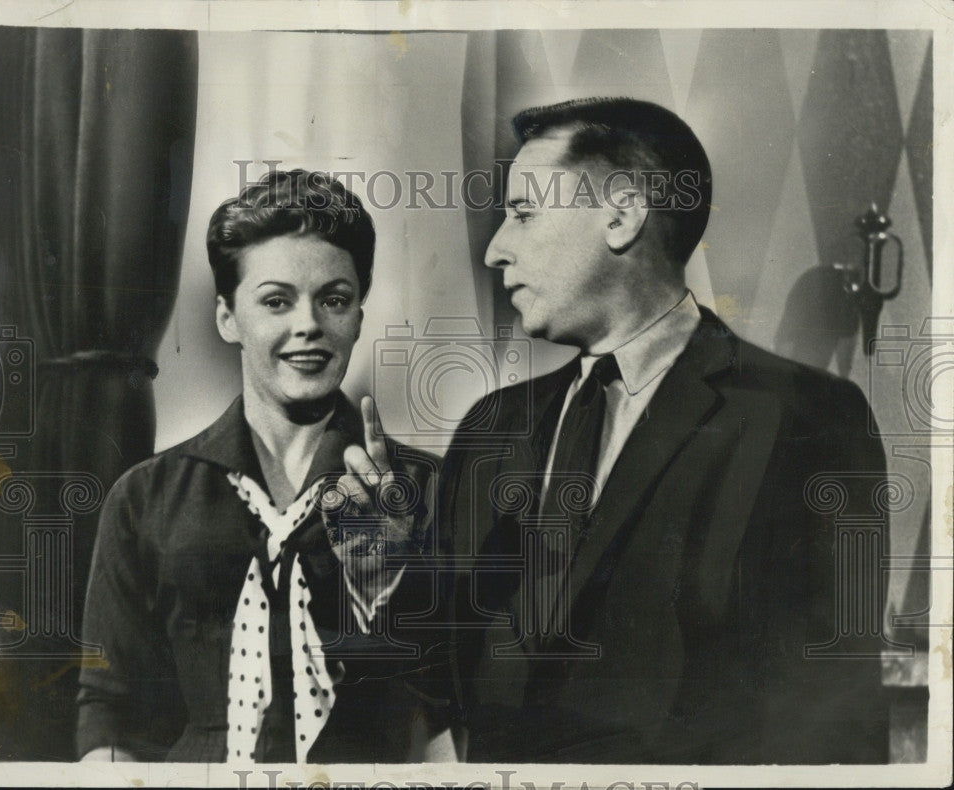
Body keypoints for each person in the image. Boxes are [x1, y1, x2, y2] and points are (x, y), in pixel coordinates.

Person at [347, 97, 891, 763]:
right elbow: (418, 676)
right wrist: (394, 579)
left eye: (522, 214)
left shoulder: (804, 418)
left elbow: (835, 717)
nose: (495, 250)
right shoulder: (491, 430)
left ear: (623, 213)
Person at [77, 169, 429, 762]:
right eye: (275, 301)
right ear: (227, 318)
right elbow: (110, 713)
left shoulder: (423, 489)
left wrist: (387, 589)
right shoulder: (145, 498)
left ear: (359, 318)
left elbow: (451, 715)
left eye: (335, 299)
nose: (308, 325)